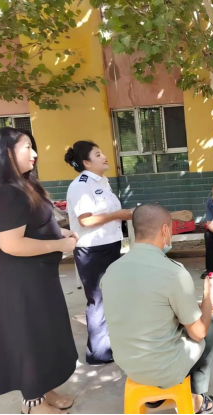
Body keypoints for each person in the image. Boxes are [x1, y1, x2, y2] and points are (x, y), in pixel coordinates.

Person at [0, 128, 78, 415]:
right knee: (29, 339)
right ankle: (32, 403)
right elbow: (12, 244)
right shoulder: (6, 193)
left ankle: (45, 389)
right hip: (20, 281)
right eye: (27, 147)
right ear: (6, 153)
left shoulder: (24, 186)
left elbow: (35, 224)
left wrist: (59, 232)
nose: (35, 153)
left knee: (45, 336)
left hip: (38, 276)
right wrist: (60, 244)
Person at [102, 204, 213, 414]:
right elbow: (198, 333)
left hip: (128, 363)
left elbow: (144, 307)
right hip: (164, 368)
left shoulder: (111, 270)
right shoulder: (173, 272)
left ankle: (155, 398)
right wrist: (207, 295)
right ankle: (197, 396)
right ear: (165, 230)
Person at [65, 141, 134, 365]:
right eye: (98, 154)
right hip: (92, 249)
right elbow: (85, 220)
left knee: (110, 296)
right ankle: (98, 353)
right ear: (86, 162)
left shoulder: (102, 183)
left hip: (110, 245)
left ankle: (109, 344)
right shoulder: (81, 185)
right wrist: (118, 215)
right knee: (97, 300)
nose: (104, 156)